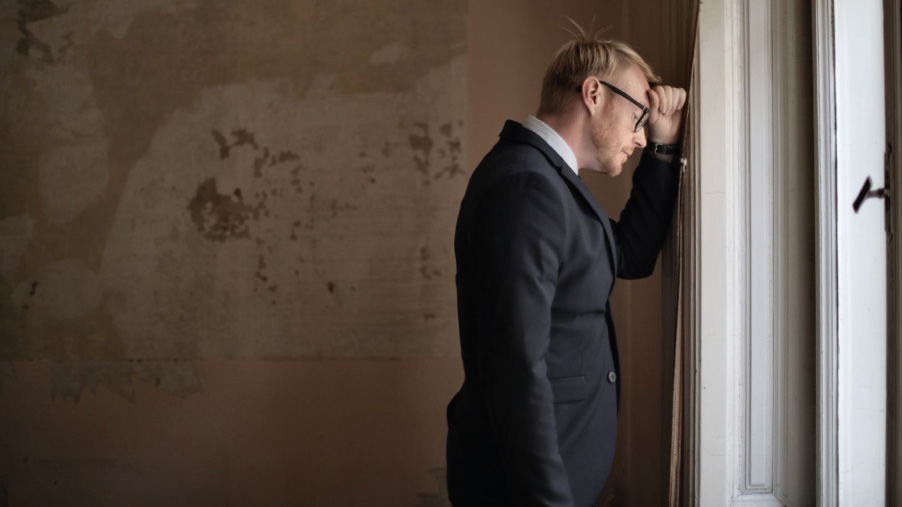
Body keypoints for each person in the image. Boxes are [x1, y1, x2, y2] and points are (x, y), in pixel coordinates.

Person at [445, 28, 687, 507]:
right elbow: (515, 368)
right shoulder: (526, 185)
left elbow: (629, 255)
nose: (640, 136)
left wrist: (663, 148)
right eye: (638, 117)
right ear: (593, 93)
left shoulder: (547, 180)